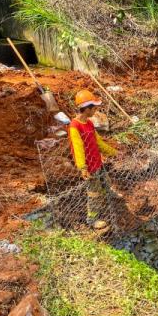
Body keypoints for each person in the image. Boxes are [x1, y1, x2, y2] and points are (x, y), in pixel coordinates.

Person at [68, 89, 117, 230]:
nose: (96, 110)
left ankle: (109, 194)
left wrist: (113, 152)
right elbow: (78, 149)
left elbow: (98, 142)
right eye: (94, 108)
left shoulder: (89, 123)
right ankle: (92, 219)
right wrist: (82, 168)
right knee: (94, 194)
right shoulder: (74, 126)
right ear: (87, 109)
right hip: (89, 167)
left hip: (97, 162)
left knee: (105, 180)